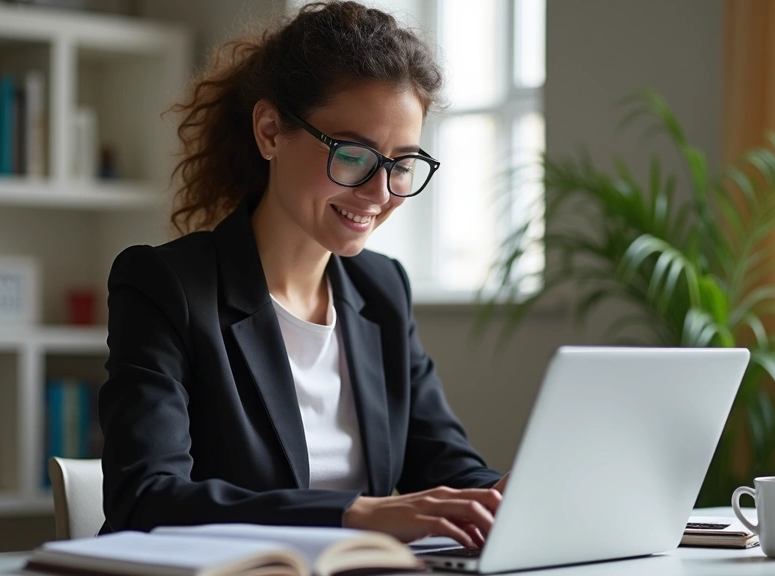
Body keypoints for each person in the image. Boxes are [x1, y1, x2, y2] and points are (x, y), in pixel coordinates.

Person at [98, 0, 507, 549]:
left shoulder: (382, 289)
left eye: (402, 164)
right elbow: (145, 498)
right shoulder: (166, 286)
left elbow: (447, 466)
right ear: (270, 131)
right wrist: (355, 514)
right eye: (354, 154)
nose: (380, 192)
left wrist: (508, 497)